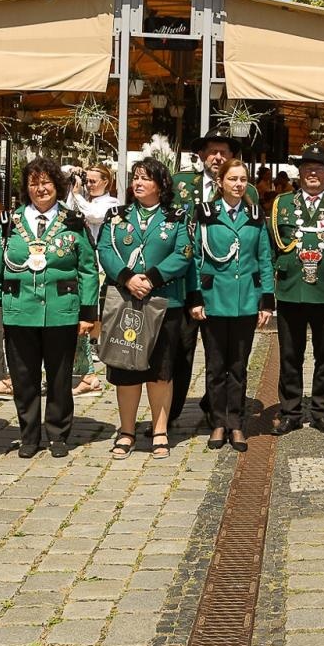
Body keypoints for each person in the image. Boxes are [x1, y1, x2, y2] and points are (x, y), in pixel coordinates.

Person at [0, 158, 99, 459]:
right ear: (26, 187)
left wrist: (89, 314)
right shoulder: (10, 222)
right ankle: (28, 435)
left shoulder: (73, 221)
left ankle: (58, 434)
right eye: (34, 183)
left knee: (60, 377)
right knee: (23, 378)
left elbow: (88, 270)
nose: (41, 189)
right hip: (19, 310)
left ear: (58, 185)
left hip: (61, 310)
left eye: (46, 182)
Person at [98, 157, 195, 459]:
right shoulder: (117, 215)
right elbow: (103, 249)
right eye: (135, 177)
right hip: (125, 300)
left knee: (160, 371)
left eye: (145, 178)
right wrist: (128, 279)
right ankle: (127, 431)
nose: (138, 183)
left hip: (164, 302)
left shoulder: (176, 218)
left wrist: (151, 279)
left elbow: (184, 253)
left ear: (160, 184)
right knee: (125, 368)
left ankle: (160, 430)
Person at [172, 128, 257, 429]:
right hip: (184, 280)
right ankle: (170, 414)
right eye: (212, 152)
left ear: (232, 157)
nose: (217, 157)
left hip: (223, 287)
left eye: (224, 152)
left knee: (221, 355)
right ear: (201, 155)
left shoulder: (248, 192)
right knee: (181, 351)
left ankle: (216, 410)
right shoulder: (182, 184)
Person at [269, 143, 324, 436]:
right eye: (308, 167)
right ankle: (291, 410)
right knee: (290, 355)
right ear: (300, 172)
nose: (313, 173)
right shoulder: (282, 204)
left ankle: (320, 411)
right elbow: (272, 248)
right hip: (291, 288)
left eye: (319, 168)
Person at [191, 158, 275, 452]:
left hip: (245, 302)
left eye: (242, 179)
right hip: (214, 299)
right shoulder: (205, 214)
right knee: (215, 367)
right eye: (233, 179)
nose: (238, 185)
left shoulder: (254, 216)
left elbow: (264, 258)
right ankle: (217, 422)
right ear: (220, 182)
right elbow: (195, 258)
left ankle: (236, 423)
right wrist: (196, 297)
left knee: (238, 366)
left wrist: (267, 301)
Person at [64, 161, 121, 395]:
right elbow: (69, 213)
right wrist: (71, 184)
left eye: (93, 181)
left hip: (99, 258)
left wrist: (78, 195)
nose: (89, 184)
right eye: (87, 180)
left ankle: (94, 353)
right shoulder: (81, 197)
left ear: (106, 182)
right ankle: (83, 362)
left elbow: (95, 215)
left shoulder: (112, 203)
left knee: (95, 306)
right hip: (81, 257)